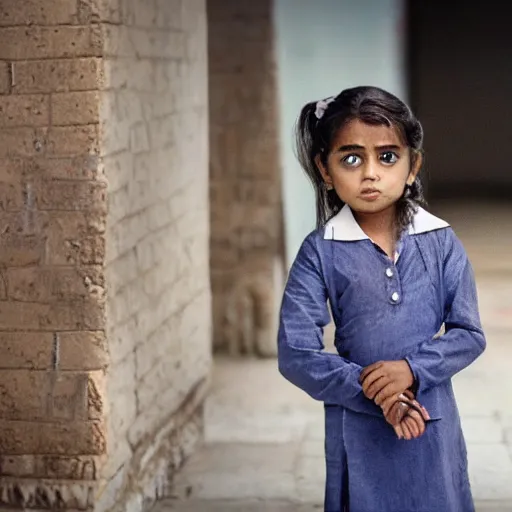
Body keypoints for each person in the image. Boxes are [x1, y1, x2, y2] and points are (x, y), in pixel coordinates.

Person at [277, 86, 486, 512]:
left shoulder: (441, 242)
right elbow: (296, 352)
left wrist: (411, 371)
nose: (370, 172)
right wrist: (373, 391)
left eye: (387, 156)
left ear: (413, 167)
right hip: (358, 425)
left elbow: (468, 333)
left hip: (432, 421)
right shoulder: (321, 251)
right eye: (351, 158)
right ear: (325, 169)